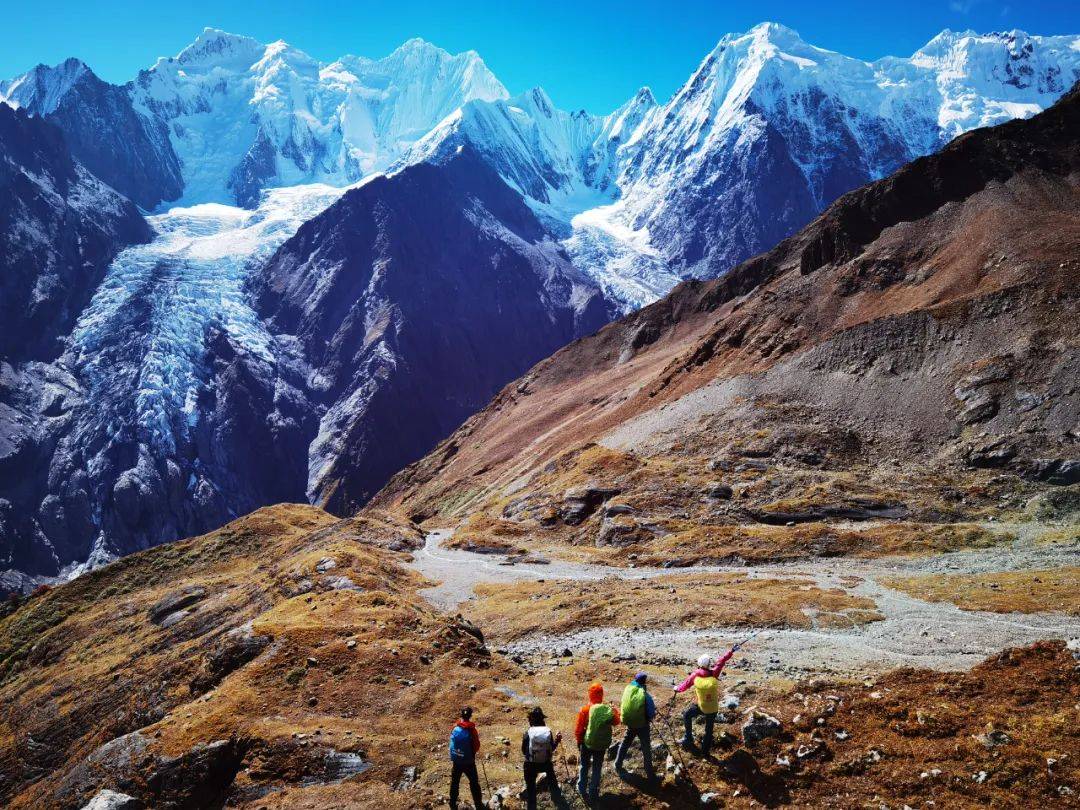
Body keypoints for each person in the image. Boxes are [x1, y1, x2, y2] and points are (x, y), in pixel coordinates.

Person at [674, 649, 734, 755]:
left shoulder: (695, 675)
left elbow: (685, 685)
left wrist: (677, 689)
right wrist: (731, 651)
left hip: (701, 706)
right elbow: (721, 661)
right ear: (709, 664)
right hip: (713, 708)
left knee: (687, 715)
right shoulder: (714, 673)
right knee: (709, 730)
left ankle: (688, 738)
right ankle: (705, 752)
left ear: (699, 664)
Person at [575, 682, 620, 802]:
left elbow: (579, 729)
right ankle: (593, 792)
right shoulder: (606, 710)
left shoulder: (585, 709)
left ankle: (581, 788)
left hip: (587, 742)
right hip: (601, 744)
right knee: (597, 767)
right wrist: (614, 710)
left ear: (590, 694)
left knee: (584, 766)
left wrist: (579, 741)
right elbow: (616, 722)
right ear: (601, 695)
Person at [615, 671, 657, 781]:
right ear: (644, 681)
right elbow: (651, 712)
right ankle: (649, 772)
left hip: (630, 723)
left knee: (625, 743)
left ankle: (617, 764)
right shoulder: (645, 695)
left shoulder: (628, 689)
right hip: (642, 725)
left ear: (635, 680)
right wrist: (649, 717)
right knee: (646, 747)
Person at [521, 706, 563, 810]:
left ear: (531, 719)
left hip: (530, 765)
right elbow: (551, 748)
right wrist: (557, 740)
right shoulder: (547, 732)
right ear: (542, 719)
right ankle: (558, 800)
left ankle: (532, 806)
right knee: (552, 781)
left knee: (531, 790)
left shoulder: (528, 733)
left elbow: (523, 751)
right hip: (545, 764)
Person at [448, 706, 484, 810]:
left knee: (455, 782)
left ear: (461, 715)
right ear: (470, 716)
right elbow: (476, 746)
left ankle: (452, 803)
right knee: (474, 783)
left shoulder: (455, 728)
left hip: (457, 761)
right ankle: (478, 804)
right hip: (469, 762)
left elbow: (452, 744)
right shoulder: (472, 730)